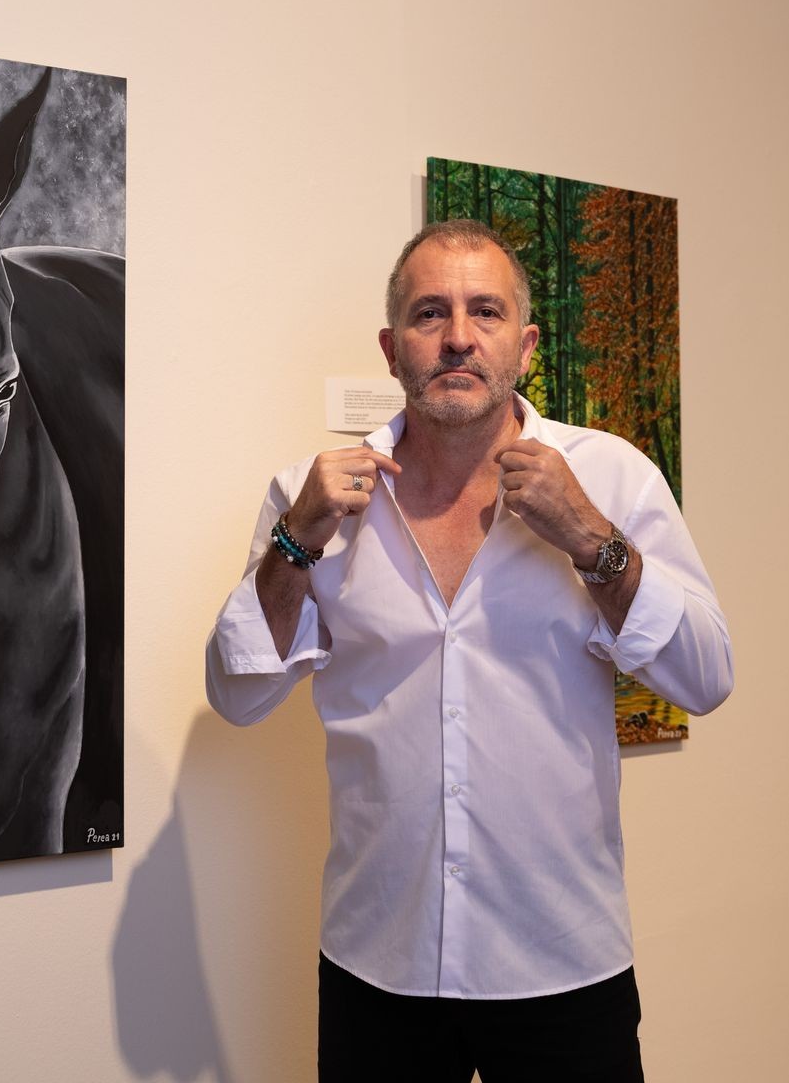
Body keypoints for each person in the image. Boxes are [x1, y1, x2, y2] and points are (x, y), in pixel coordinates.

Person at [205, 219, 734, 1081]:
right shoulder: (315, 497)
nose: (458, 336)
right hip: (379, 960)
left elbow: (706, 675)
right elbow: (237, 695)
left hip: (561, 959)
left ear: (524, 345)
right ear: (391, 348)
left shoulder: (611, 477)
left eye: (485, 312)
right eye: (429, 314)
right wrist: (295, 541)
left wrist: (592, 540)